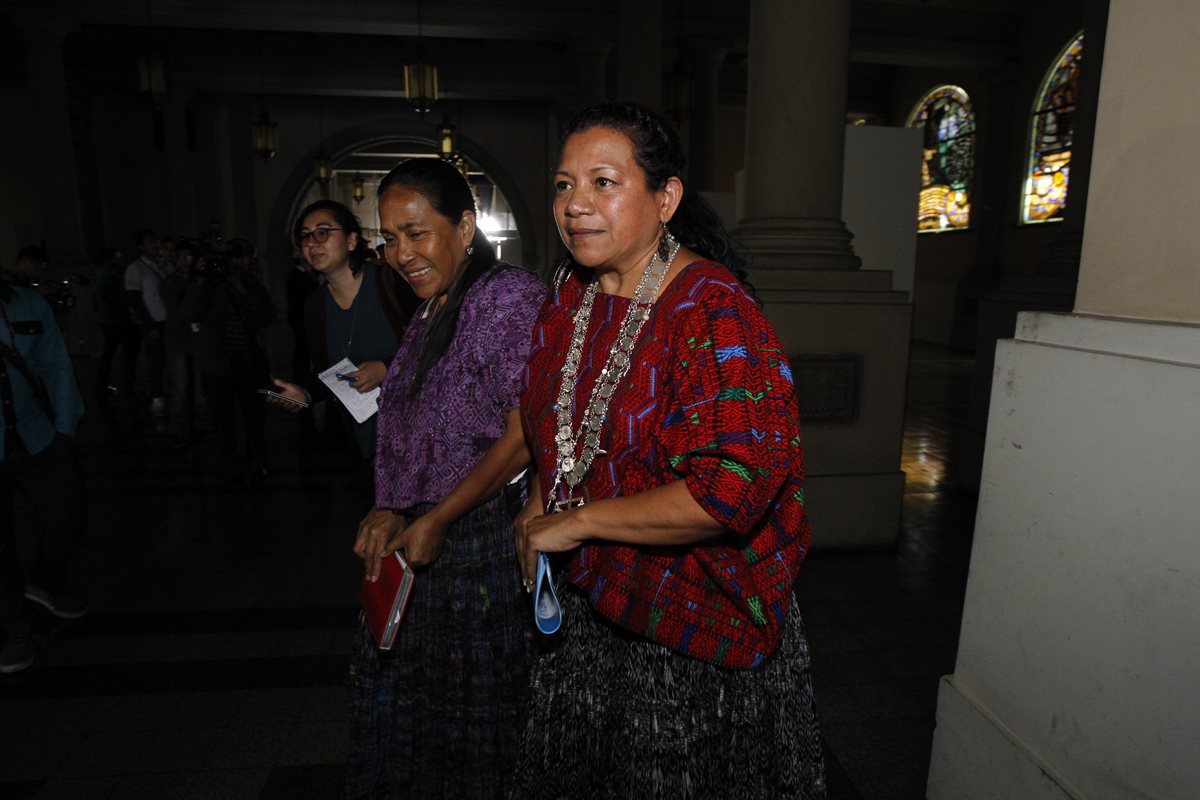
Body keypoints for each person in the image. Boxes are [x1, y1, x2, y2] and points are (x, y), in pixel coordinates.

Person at [512, 100, 827, 798]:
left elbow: (730, 491)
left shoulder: (713, 313)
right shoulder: (571, 294)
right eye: (564, 185)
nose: (576, 205)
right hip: (591, 605)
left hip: (689, 630)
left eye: (604, 182)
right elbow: (555, 423)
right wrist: (541, 498)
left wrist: (580, 521)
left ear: (667, 197)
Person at [345, 157, 544, 799]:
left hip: (476, 548)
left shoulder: (506, 297)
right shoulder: (435, 307)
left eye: (416, 232)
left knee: (477, 723)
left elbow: (522, 435)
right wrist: (394, 507)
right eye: (390, 238)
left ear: (464, 227)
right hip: (430, 540)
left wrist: (436, 516)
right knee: (428, 721)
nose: (401, 253)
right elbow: (419, 429)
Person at [268, 200, 417, 498]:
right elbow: (330, 374)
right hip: (365, 442)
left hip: (416, 437)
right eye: (306, 235)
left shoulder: (389, 281)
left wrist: (387, 367)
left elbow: (435, 344)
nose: (312, 242)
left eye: (323, 232)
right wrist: (307, 394)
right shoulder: (314, 307)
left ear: (351, 240)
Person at [0, 271, 87, 674]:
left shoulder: (26, 302)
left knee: (66, 514)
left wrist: (65, 430)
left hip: (36, 434)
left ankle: (43, 586)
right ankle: (16, 625)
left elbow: (56, 366)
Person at [180, 236, 275, 483]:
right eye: (233, 258)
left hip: (248, 361)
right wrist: (200, 281)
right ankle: (230, 464)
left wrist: (241, 288)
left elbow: (267, 314)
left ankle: (257, 460)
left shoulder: (249, 282)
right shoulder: (206, 284)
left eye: (242, 257)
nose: (236, 263)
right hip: (216, 363)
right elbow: (189, 313)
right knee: (222, 419)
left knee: (254, 417)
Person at [124, 229, 172, 417]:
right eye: (149, 242)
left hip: (168, 320)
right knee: (156, 359)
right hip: (154, 320)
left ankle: (165, 390)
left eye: (155, 241)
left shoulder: (162, 266)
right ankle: (156, 395)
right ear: (140, 247)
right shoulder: (135, 269)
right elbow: (134, 298)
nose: (154, 245)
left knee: (166, 358)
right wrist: (148, 323)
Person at [92, 245, 139, 407]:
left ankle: (104, 385)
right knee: (123, 353)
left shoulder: (101, 272)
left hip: (109, 319)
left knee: (110, 354)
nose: (121, 260)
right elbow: (117, 296)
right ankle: (126, 385)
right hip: (117, 319)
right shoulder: (109, 274)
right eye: (117, 257)